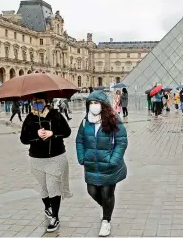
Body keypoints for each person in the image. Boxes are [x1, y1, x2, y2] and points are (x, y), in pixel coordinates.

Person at [76, 91, 128, 237]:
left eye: (96, 103)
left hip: (109, 165)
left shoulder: (113, 120)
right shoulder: (85, 121)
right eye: (91, 103)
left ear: (103, 105)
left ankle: (106, 221)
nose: (93, 106)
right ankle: (106, 208)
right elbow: (79, 140)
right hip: (91, 165)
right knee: (92, 191)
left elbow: (122, 141)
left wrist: (114, 160)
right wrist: (82, 157)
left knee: (107, 193)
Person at [20, 96, 72, 232]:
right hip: (37, 159)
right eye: (34, 103)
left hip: (56, 157)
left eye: (39, 102)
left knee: (53, 186)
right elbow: (23, 139)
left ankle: (55, 217)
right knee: (44, 187)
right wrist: (36, 134)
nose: (36, 105)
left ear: (46, 103)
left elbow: (67, 132)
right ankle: (48, 207)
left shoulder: (56, 115)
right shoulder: (30, 118)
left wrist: (52, 133)